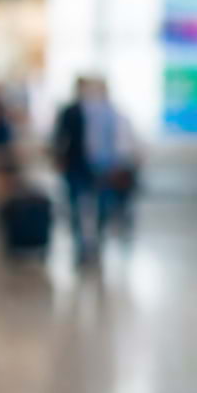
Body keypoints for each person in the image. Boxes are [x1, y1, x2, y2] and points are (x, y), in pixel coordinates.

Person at [52, 77, 130, 263]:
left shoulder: (111, 113)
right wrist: (59, 159)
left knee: (103, 205)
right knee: (76, 206)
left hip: (104, 166)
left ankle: (98, 242)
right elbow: (60, 137)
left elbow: (118, 140)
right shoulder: (70, 111)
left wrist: (118, 163)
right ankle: (81, 246)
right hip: (77, 164)